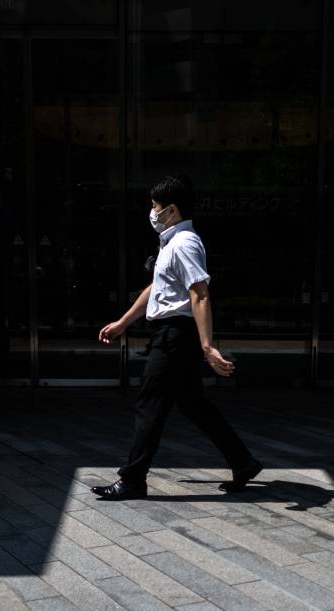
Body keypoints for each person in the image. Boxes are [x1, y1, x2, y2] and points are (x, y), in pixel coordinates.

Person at [91, 174, 262, 501]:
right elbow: (157, 289)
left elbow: (200, 294)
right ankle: (243, 462)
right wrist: (124, 322)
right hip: (171, 334)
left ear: (170, 210)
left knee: (150, 405)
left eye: (154, 206)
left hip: (174, 337)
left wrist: (207, 346)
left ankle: (132, 480)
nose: (151, 212)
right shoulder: (170, 244)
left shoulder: (185, 244)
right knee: (193, 404)